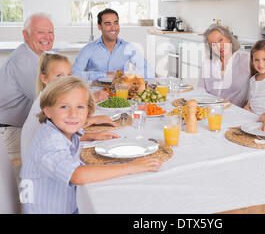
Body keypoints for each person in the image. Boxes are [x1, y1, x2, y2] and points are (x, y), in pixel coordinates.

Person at [20, 76, 162, 214]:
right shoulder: (49, 142)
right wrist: (131, 167)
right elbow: (77, 175)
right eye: (64, 106)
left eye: (80, 107)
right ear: (48, 111)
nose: (73, 114)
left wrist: (90, 136)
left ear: (88, 110)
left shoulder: (55, 130)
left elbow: (65, 139)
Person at [21, 53, 114, 160]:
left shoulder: (51, 98)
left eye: (69, 75)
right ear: (44, 78)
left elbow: (62, 133)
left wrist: (92, 135)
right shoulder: (46, 106)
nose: (66, 80)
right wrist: (93, 121)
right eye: (59, 76)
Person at [0, 13, 54, 160]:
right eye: (40, 32)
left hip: (14, 127)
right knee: (60, 139)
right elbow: (48, 102)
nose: (47, 37)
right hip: (8, 132)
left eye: (50, 32)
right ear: (26, 34)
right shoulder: (24, 60)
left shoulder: (35, 55)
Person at [72, 8, 155, 81]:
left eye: (116, 23)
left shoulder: (128, 47)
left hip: (121, 93)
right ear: (99, 26)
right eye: (108, 24)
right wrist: (105, 75)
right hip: (96, 94)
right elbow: (74, 74)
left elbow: (149, 71)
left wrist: (127, 75)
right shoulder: (88, 49)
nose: (113, 28)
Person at [197, 24, 250, 107]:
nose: (218, 46)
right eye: (213, 44)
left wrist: (249, 104)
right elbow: (200, 89)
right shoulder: (207, 61)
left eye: (220, 40)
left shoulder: (246, 59)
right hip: (209, 110)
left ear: (229, 39)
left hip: (235, 112)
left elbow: (259, 87)